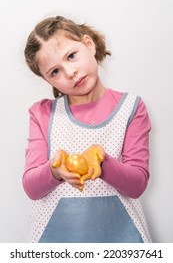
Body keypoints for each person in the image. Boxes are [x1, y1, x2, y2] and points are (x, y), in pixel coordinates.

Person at [23, 15, 152, 243]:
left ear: (89, 45)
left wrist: (102, 162)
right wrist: (55, 170)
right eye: (55, 71)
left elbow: (137, 185)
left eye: (71, 56)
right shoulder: (43, 113)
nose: (70, 72)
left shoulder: (131, 107)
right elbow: (32, 188)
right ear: (48, 81)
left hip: (122, 241)